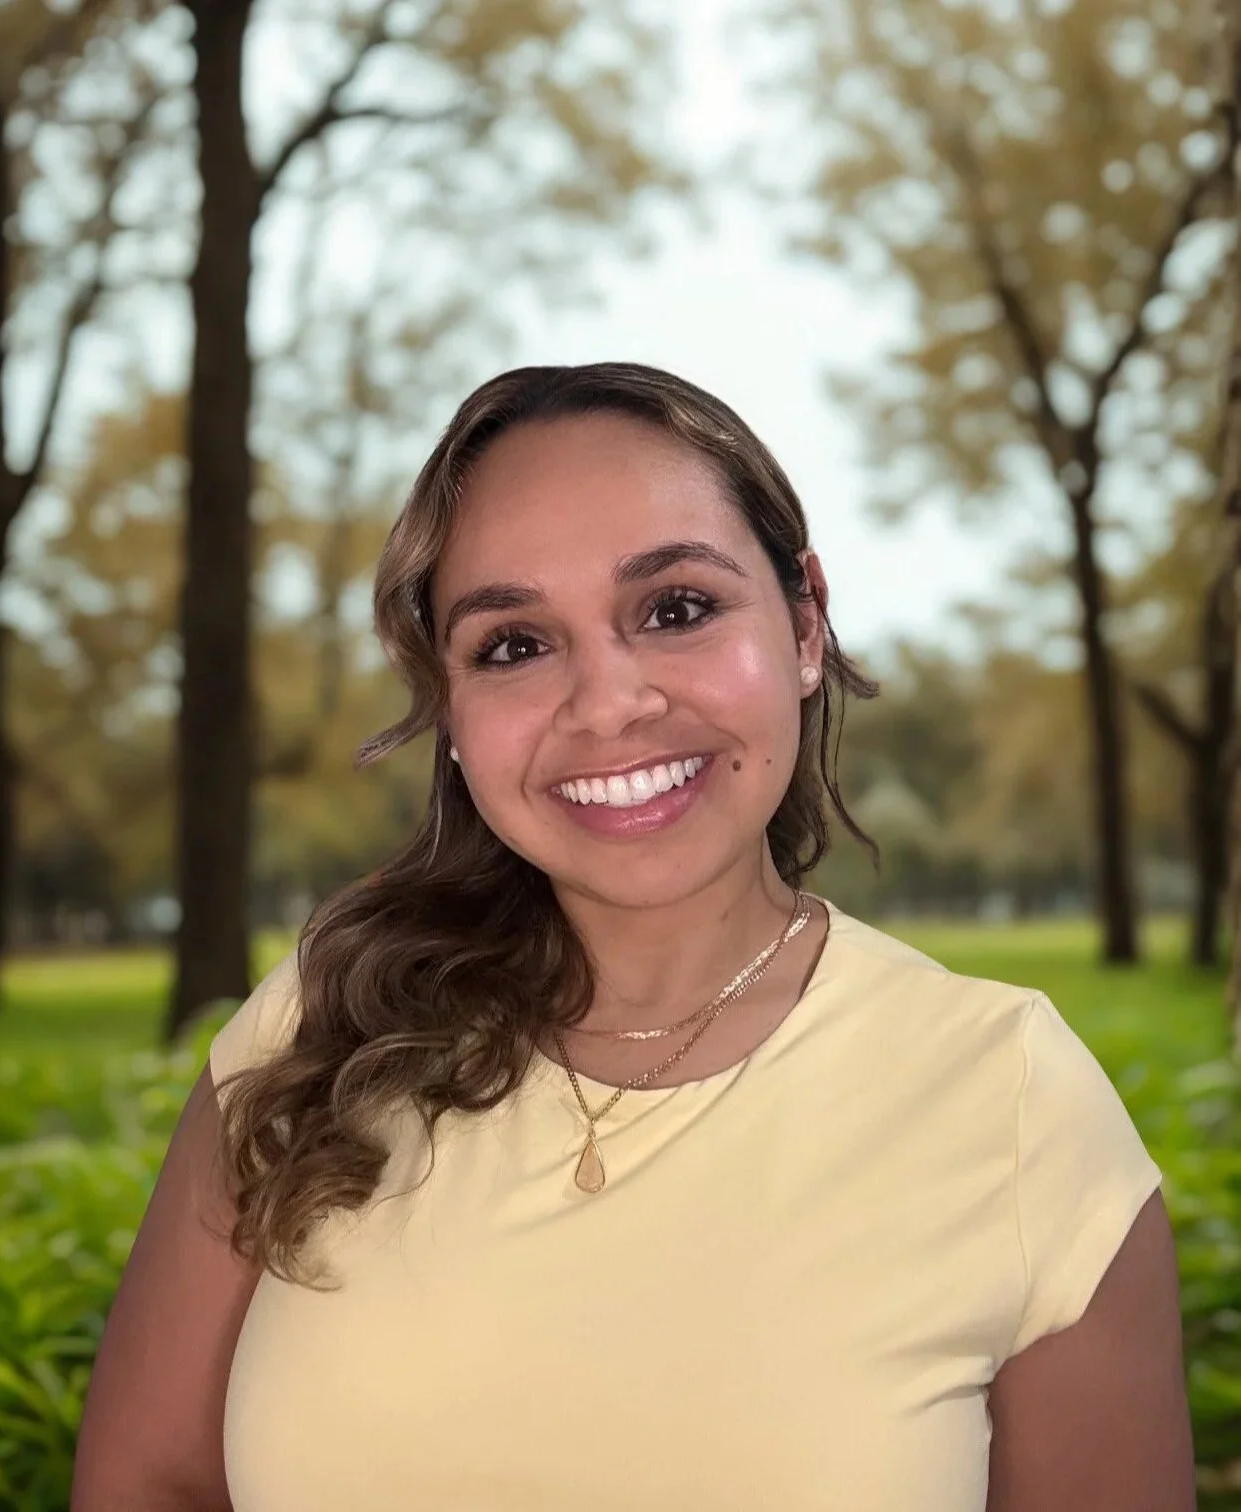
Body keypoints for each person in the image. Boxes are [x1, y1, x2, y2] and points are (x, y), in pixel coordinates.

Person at [71, 362, 1196, 1512]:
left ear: (805, 623)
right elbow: (147, 1481)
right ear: (450, 710)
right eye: (514, 643)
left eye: (677, 609)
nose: (609, 703)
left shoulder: (1009, 1102)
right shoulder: (320, 1027)